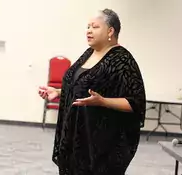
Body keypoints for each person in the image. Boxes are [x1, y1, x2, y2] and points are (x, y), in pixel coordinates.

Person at [38, 8, 146, 175]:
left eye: (95, 27)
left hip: (101, 144)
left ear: (110, 31)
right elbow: (82, 85)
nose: (88, 31)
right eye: (88, 26)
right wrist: (59, 92)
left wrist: (103, 101)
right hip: (76, 137)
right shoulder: (89, 53)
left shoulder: (122, 60)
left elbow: (136, 102)